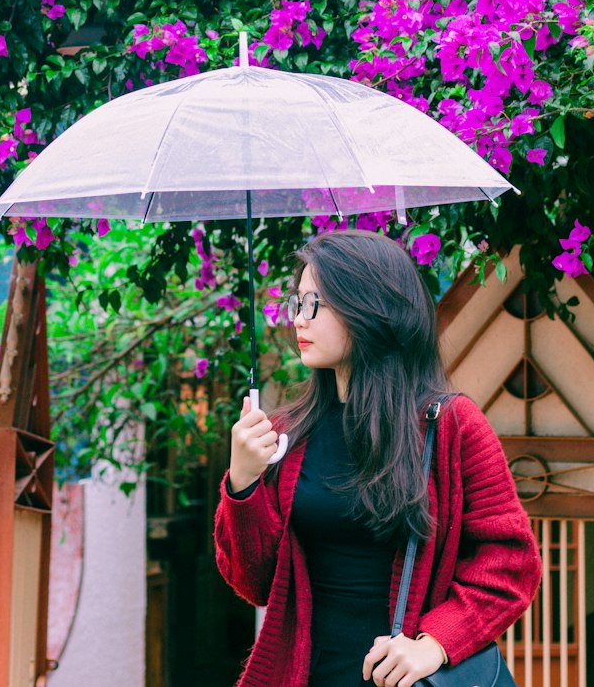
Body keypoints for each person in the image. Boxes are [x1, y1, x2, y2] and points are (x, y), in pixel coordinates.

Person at [214, 229, 541, 687]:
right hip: (309, 674)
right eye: (297, 304)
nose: (299, 321)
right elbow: (255, 583)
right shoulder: (287, 433)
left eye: (314, 305)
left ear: (370, 308)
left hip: (407, 679)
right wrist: (243, 483)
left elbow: (511, 564)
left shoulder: (450, 425)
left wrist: (434, 643)